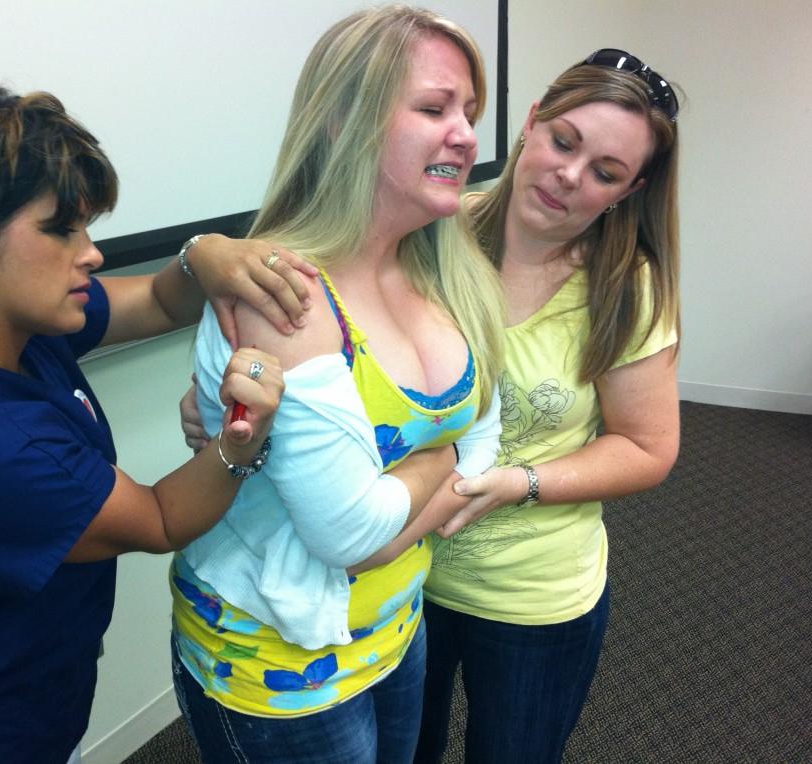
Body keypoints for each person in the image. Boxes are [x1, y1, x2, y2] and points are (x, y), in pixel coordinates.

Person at [184, 46, 682, 764]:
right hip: (409, 583)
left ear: (629, 191)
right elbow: (330, 364)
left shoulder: (624, 289)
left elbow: (648, 447)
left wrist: (519, 482)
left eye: (605, 172)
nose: (568, 177)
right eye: (562, 142)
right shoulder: (435, 229)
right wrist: (221, 380)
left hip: (526, 591)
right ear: (531, 123)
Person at [0, 82, 309, 764]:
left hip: (9, 686)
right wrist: (246, 438)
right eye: (62, 230)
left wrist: (202, 253)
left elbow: (153, 298)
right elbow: (160, 520)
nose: (90, 252)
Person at [168, 7, 505, 764]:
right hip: (277, 667)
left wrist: (403, 511)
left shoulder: (444, 269)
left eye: (469, 113)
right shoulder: (284, 292)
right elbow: (351, 537)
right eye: (434, 108)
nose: (466, 134)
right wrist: (444, 467)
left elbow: (488, 429)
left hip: (393, 627)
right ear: (343, 119)